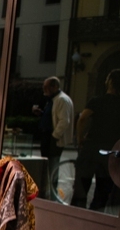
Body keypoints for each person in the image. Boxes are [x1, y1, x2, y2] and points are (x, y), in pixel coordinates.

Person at [73, 69, 120, 210]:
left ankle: (75, 220)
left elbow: (83, 119)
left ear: (110, 82)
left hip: (91, 148)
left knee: (81, 189)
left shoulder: (97, 101)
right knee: (102, 193)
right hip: (110, 153)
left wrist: (80, 138)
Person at [32, 76, 74, 180]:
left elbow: (64, 121)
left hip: (53, 137)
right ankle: (47, 186)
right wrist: (41, 114)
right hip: (47, 136)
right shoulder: (53, 99)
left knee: (52, 165)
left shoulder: (62, 100)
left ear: (54, 86)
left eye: (46, 86)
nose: (44, 89)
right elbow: (52, 116)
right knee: (47, 165)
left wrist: (54, 136)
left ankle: (51, 188)